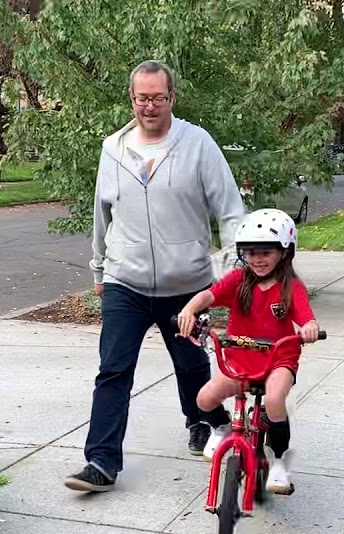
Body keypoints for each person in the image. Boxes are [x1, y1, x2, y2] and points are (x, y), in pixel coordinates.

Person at [65, 60, 246, 493]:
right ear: (132, 99)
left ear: (172, 98)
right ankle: (102, 462)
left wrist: (235, 270)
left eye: (158, 97)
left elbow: (231, 209)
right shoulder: (113, 148)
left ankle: (204, 419)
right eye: (142, 98)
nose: (149, 106)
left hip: (186, 285)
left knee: (189, 363)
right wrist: (98, 269)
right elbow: (101, 216)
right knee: (113, 369)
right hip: (125, 282)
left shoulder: (197, 143)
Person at [176, 208, 319, 495]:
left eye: (266, 252)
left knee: (276, 400)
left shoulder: (291, 287)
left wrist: (309, 328)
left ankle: (278, 461)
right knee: (204, 399)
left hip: (279, 359)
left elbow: (306, 317)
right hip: (241, 360)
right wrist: (191, 308)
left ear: (285, 252)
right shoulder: (239, 280)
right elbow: (210, 295)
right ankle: (221, 428)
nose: (257, 259)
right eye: (251, 252)